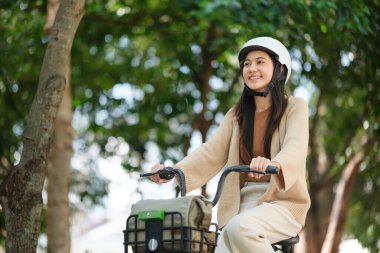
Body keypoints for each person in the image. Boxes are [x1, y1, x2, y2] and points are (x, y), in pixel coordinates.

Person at [150, 36, 311, 253]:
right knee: (221, 243)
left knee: (241, 229)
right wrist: (174, 170)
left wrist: (275, 163)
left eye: (260, 62)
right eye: (247, 64)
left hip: (282, 204)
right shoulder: (236, 116)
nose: (252, 68)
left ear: (280, 69)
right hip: (241, 205)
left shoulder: (295, 107)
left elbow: (295, 146)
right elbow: (211, 152)